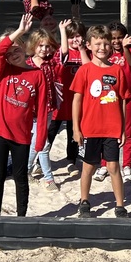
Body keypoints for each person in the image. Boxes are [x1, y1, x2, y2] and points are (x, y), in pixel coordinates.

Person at [0, 15, 51, 216]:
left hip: (22, 136)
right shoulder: (3, 71)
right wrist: (19, 31)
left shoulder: (37, 75)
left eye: (16, 48)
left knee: (20, 176)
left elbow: (42, 111)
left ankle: (21, 216)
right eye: (9, 51)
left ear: (24, 48)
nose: (12, 53)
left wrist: (40, 139)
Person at [71, 24, 131, 218]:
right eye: (98, 43)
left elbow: (122, 99)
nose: (102, 48)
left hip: (112, 127)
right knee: (89, 166)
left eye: (106, 44)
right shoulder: (85, 70)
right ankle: (84, 201)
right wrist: (76, 128)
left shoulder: (118, 70)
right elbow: (77, 99)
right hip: (90, 127)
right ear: (89, 45)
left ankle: (120, 205)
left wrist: (122, 128)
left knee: (113, 166)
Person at [98, 22, 131, 181]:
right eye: (113, 38)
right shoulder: (105, 52)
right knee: (106, 132)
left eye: (120, 37)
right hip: (108, 97)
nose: (116, 41)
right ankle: (104, 164)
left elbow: (130, 63)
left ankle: (127, 164)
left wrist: (125, 47)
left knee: (128, 132)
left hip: (127, 97)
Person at [23, 28, 61, 191]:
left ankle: (27, 170)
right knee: (41, 143)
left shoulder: (51, 62)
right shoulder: (27, 64)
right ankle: (47, 177)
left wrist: (62, 31)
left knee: (40, 142)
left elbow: (63, 51)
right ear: (33, 46)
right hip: (32, 110)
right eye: (40, 46)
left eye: (47, 46)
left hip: (48, 108)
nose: (44, 49)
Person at [52, 19, 85, 173]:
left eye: (78, 36)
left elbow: (88, 67)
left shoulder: (85, 52)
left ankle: (71, 159)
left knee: (73, 131)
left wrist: (83, 48)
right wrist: (62, 31)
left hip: (76, 99)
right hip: (61, 99)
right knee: (51, 130)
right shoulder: (62, 51)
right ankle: (40, 159)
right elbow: (64, 52)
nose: (75, 40)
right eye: (72, 36)